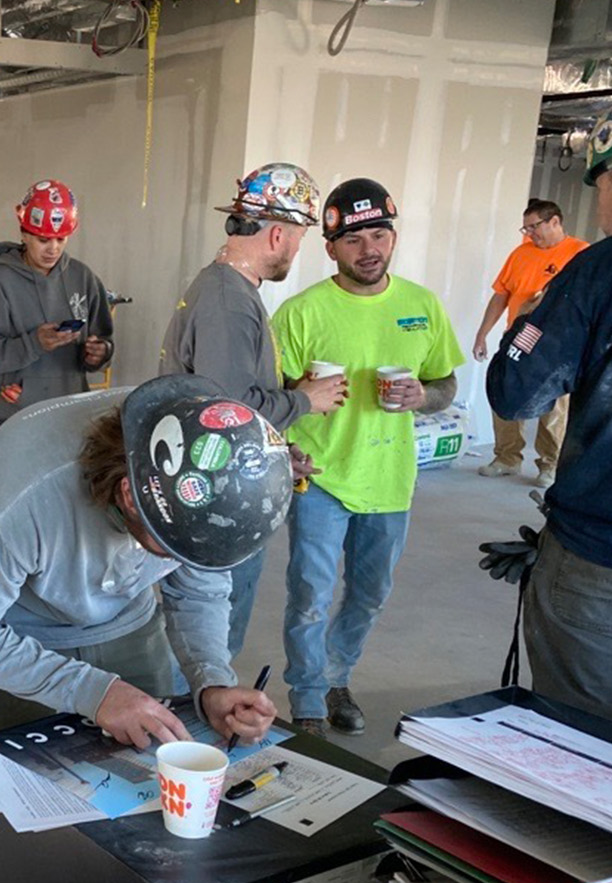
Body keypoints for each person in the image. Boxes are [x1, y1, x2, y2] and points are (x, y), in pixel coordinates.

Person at [0, 375, 286, 745]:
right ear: (130, 496)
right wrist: (93, 692)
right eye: (171, 551)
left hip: (127, 620)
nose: (180, 564)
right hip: (15, 631)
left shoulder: (201, 474)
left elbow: (200, 593)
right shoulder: (21, 501)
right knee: (21, 782)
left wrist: (213, 683)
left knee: (157, 758)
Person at [273, 179, 464, 738]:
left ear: (393, 237)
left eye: (379, 234)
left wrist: (422, 398)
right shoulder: (301, 313)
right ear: (330, 247)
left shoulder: (421, 306)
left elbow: (445, 382)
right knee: (309, 592)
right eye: (354, 239)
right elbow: (268, 395)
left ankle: (336, 677)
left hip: (389, 479)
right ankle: (307, 699)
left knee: (371, 592)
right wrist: (290, 430)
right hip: (322, 477)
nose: (369, 248)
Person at [159, 161, 348, 659]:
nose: (297, 250)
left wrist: (278, 453)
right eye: (301, 239)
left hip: (218, 484)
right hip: (214, 499)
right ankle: (193, 719)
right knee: (209, 636)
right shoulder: (227, 300)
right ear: (277, 234)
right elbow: (232, 409)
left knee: (213, 628)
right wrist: (308, 399)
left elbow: (230, 392)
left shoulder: (233, 290)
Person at [486, 112, 612, 720]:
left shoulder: (592, 271)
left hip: (598, 555)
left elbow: (517, 393)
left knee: (579, 738)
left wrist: (531, 320)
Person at [0, 179, 113, 445]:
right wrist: (33, 343)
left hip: (69, 416)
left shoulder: (83, 277)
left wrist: (100, 354)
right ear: (24, 233)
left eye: (61, 238)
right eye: (43, 239)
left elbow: (103, 339)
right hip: (12, 419)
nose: (53, 249)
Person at [472, 198, 589, 488]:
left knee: (553, 407)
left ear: (555, 222)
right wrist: (482, 333)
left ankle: (549, 465)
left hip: (557, 344)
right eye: (525, 229)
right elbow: (501, 294)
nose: (529, 234)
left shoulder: (581, 254)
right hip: (518, 338)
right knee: (506, 394)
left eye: (534, 227)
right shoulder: (520, 254)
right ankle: (507, 457)